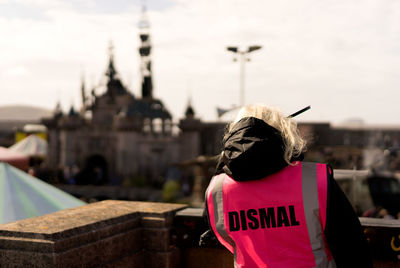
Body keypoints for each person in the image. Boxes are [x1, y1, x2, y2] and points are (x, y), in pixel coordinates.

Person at [202, 105, 372, 268]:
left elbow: (224, 238)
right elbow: (353, 250)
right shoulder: (315, 180)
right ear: (283, 131)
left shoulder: (217, 189)